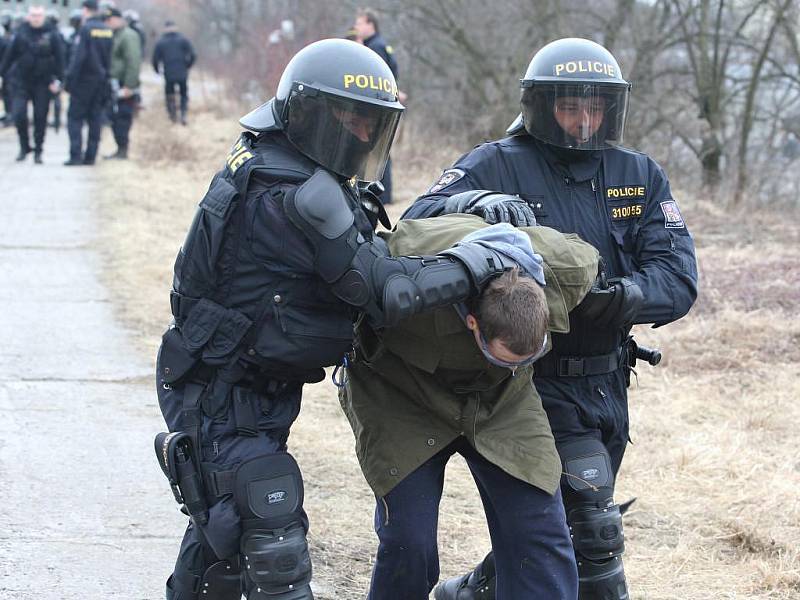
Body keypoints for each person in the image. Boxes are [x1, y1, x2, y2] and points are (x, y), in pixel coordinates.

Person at [153, 39, 526, 600]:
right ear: (309, 112)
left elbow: (367, 250)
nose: (360, 136)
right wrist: (478, 260)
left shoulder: (277, 161)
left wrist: (458, 209)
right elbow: (389, 290)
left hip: (243, 380)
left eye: (370, 124)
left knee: (222, 534)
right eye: (348, 121)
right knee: (269, 534)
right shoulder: (297, 192)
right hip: (222, 386)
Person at [404, 38, 699, 600]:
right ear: (542, 106)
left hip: (610, 381)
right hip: (533, 380)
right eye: (570, 106)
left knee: (555, 529)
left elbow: (678, 278)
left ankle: (469, 593)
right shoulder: (497, 162)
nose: (583, 121)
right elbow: (417, 220)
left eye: (596, 108)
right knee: (593, 524)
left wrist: (611, 295)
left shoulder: (638, 173)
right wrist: (477, 205)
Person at [340, 213, 610, 599]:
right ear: (472, 323)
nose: (517, 362)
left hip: (501, 399)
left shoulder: (561, 269)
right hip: (402, 393)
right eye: (505, 356)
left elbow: (588, 253)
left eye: (527, 358)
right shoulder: (401, 273)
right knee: (409, 543)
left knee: (541, 532)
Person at [0, 4, 64, 164]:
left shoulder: (52, 34)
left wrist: (59, 80)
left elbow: (60, 59)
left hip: (43, 82)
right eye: (33, 15)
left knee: (40, 117)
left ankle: (38, 150)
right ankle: (24, 146)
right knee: (19, 114)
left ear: (43, 16)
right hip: (21, 80)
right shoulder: (21, 32)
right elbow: (9, 56)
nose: (36, 18)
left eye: (39, 15)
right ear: (29, 16)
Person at [352, 7, 398, 204]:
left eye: (360, 23)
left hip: (374, 108)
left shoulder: (375, 48)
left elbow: (374, 78)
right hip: (383, 105)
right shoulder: (380, 44)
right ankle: (383, 194)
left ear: (371, 24)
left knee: (376, 150)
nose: (356, 27)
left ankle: (381, 194)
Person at [63, 0, 112, 166]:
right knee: (95, 118)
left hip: (84, 81)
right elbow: (110, 57)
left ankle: (75, 155)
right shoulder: (107, 30)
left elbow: (79, 57)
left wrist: (69, 79)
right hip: (102, 81)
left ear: (85, 10)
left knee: (74, 118)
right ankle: (91, 156)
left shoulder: (85, 29)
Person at [104, 7, 140, 160]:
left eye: (110, 20)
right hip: (113, 83)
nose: (108, 23)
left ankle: (123, 150)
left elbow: (133, 61)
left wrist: (129, 86)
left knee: (122, 118)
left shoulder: (128, 36)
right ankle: (119, 148)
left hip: (124, 84)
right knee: (113, 117)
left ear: (118, 19)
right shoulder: (114, 35)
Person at [152, 20, 195, 125]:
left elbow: (155, 59)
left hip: (168, 73)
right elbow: (193, 54)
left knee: (169, 94)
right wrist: (188, 65)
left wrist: (157, 70)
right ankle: (183, 114)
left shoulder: (161, 42)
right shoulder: (183, 40)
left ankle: (173, 116)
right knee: (183, 93)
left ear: (165, 28)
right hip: (182, 71)